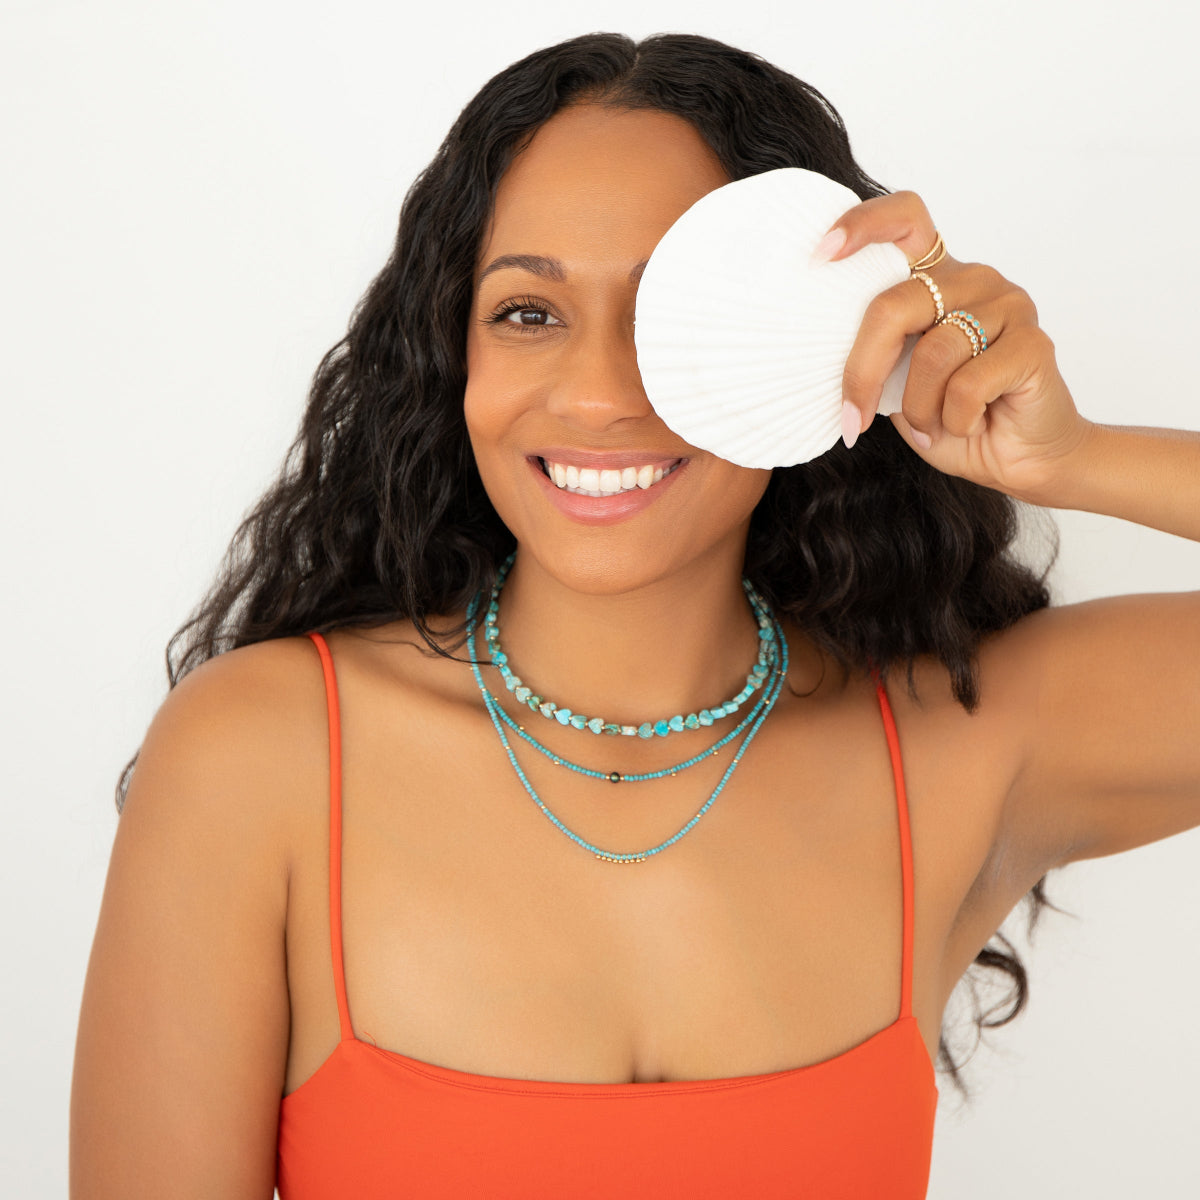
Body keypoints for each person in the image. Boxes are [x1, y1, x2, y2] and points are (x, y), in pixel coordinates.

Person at [69, 30, 1199, 1200]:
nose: (604, 393)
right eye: (526, 313)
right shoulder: (261, 757)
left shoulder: (973, 739)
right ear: (448, 354)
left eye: (676, 316)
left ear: (821, 348)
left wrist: (1072, 458)